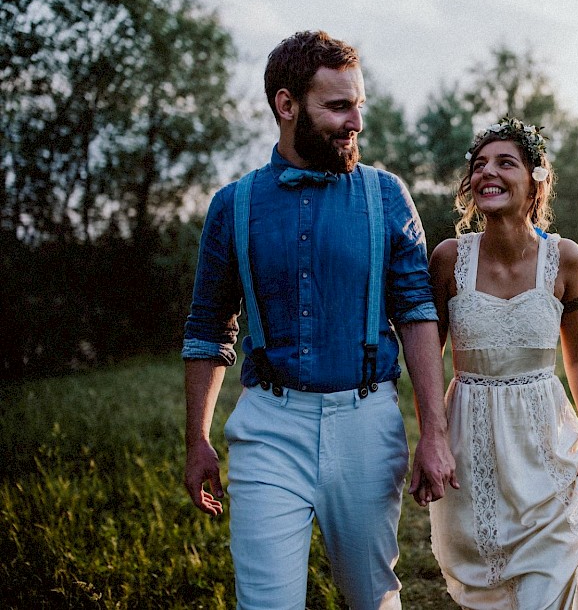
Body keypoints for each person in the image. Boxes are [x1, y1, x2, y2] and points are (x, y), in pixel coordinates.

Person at [181, 30, 456, 610]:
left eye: (359, 103)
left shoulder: (386, 196)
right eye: (337, 106)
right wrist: (197, 439)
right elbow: (209, 325)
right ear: (286, 106)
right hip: (268, 428)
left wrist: (433, 431)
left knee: (371, 598)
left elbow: (416, 312)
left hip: (366, 424)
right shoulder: (234, 205)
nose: (355, 120)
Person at [426, 117, 578, 608]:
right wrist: (432, 439)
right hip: (472, 446)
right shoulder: (449, 260)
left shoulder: (566, 260)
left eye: (505, 162)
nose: (487, 172)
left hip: (543, 444)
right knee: (486, 587)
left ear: (537, 179)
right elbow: (429, 355)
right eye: (479, 165)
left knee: (543, 590)